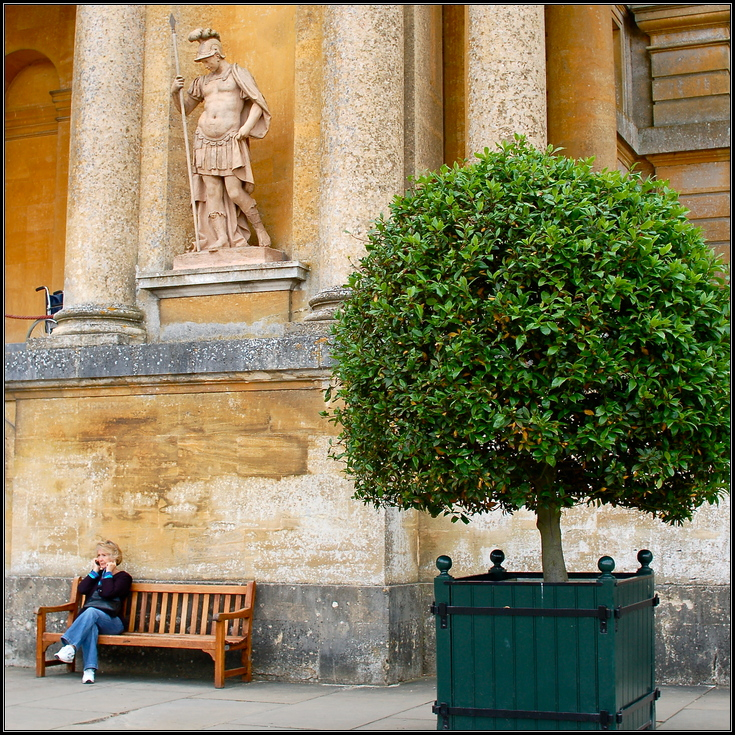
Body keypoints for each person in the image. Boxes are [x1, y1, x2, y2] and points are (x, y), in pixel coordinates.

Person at [171, 28, 272, 252]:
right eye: (202, 61)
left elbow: (258, 102)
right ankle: (220, 239)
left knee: (235, 191)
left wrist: (246, 128)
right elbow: (185, 109)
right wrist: (174, 93)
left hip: (230, 138)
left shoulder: (237, 74)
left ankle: (260, 229)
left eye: (207, 59)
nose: (204, 64)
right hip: (204, 140)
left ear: (217, 53)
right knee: (212, 193)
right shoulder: (202, 82)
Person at [54, 540, 132, 684]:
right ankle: (89, 671)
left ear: (114, 558)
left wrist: (108, 573)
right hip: (93, 620)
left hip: (113, 622)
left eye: (104, 555)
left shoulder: (123, 577)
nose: (100, 559)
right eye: (98, 555)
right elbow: (82, 590)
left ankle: (70, 646)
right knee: (91, 627)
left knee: (91, 612)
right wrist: (95, 571)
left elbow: (108, 593)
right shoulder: (98, 575)